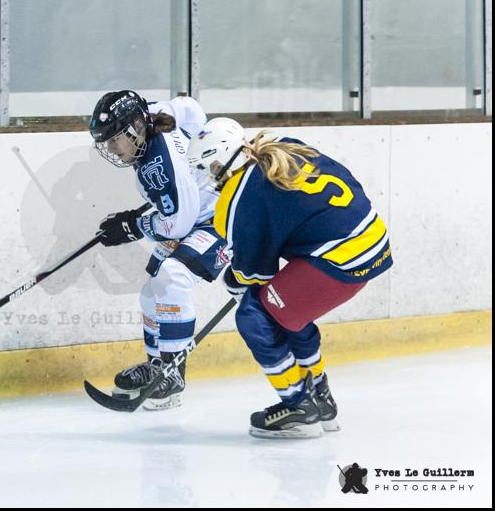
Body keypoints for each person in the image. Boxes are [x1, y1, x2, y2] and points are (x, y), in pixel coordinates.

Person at [190, 119, 393, 438]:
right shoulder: (281, 144)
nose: (204, 175)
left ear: (217, 161)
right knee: (285, 310)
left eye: (203, 167)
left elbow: (253, 275)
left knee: (253, 315)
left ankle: (300, 406)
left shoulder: (236, 198)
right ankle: (320, 399)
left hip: (341, 259)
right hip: (371, 239)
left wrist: (235, 281)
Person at [88, 91, 235, 410]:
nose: (111, 148)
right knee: (152, 290)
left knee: (173, 277)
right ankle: (159, 370)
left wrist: (131, 227)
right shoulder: (154, 114)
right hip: (195, 213)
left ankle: (171, 373)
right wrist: (198, 134)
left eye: (114, 140)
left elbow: (177, 226)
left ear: (134, 128)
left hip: (222, 221)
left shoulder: (161, 166)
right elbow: (190, 107)